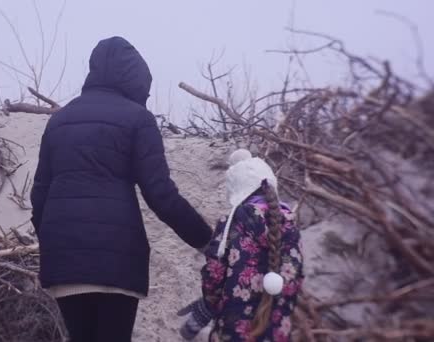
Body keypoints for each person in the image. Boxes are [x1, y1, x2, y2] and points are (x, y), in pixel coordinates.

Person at [30, 36, 213, 342]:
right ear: (137, 80)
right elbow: (160, 194)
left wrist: (55, 244)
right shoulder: (138, 119)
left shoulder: (59, 121)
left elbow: (40, 197)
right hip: (116, 263)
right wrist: (207, 241)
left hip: (64, 262)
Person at [178, 149, 304, 342]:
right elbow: (294, 283)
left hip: (234, 327)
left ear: (236, 190)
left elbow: (214, 273)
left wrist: (207, 306)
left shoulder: (233, 224)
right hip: (277, 330)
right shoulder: (291, 226)